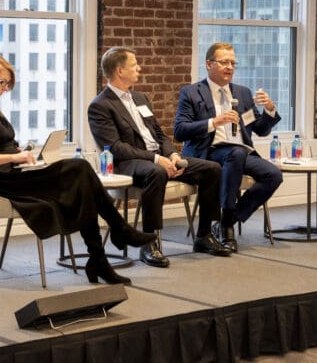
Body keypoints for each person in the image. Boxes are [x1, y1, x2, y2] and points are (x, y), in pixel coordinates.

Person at [0, 53, 156, 285]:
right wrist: (14, 156)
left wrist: (18, 153)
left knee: (82, 182)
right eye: (2, 82)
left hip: (15, 175)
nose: (5, 89)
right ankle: (116, 234)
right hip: (3, 184)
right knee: (80, 169)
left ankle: (100, 256)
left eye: (7, 84)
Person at [87, 47, 231, 267]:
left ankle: (204, 236)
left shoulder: (140, 98)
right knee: (156, 172)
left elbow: (158, 134)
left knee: (212, 169)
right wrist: (156, 160)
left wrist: (172, 154)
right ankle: (149, 243)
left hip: (158, 157)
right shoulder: (100, 105)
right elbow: (116, 148)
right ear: (119, 71)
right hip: (127, 164)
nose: (139, 68)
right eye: (134, 65)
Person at [173, 42, 282, 252]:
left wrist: (269, 109)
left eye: (233, 63)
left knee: (273, 175)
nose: (229, 67)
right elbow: (180, 131)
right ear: (209, 64)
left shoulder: (242, 92)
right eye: (224, 62)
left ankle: (228, 219)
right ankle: (227, 230)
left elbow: (260, 130)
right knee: (236, 153)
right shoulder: (192, 92)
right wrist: (214, 122)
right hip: (208, 153)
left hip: (239, 152)